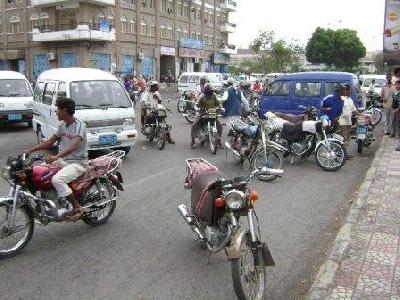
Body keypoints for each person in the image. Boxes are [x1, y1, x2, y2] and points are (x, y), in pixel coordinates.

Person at [28, 97, 87, 221]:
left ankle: (76, 207)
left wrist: (56, 157)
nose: (56, 112)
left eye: (57, 110)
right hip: (63, 161)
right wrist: (31, 150)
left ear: (64, 110)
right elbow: (50, 141)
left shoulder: (79, 125)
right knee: (39, 172)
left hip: (78, 163)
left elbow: (73, 146)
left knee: (57, 180)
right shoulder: (62, 125)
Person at [191, 83, 224, 149]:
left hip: (212, 112)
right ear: (206, 91)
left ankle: (219, 141)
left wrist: (221, 107)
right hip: (203, 112)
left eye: (211, 91)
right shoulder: (202, 96)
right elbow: (196, 104)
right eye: (209, 91)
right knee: (194, 125)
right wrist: (197, 108)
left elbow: (218, 103)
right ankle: (193, 141)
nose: (210, 93)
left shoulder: (213, 95)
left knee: (220, 126)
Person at [339, 84, 359, 159]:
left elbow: (354, 110)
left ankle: (344, 153)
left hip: (348, 121)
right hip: (342, 121)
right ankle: (343, 154)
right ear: (346, 91)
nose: (351, 92)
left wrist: (361, 114)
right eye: (350, 90)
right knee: (344, 138)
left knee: (347, 138)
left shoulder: (350, 100)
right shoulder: (341, 99)